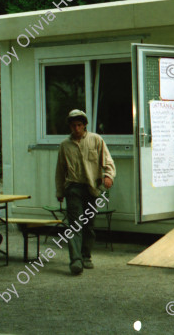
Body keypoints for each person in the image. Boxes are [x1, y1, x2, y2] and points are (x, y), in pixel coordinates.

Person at [55, 109, 116, 275]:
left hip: (92, 188)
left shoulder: (96, 140)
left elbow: (108, 161)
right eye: (73, 126)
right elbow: (60, 170)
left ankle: (86, 256)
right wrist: (60, 190)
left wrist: (108, 176)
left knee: (89, 225)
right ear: (70, 126)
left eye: (79, 125)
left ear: (84, 125)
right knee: (75, 225)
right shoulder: (64, 145)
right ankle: (75, 260)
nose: (76, 129)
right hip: (73, 188)